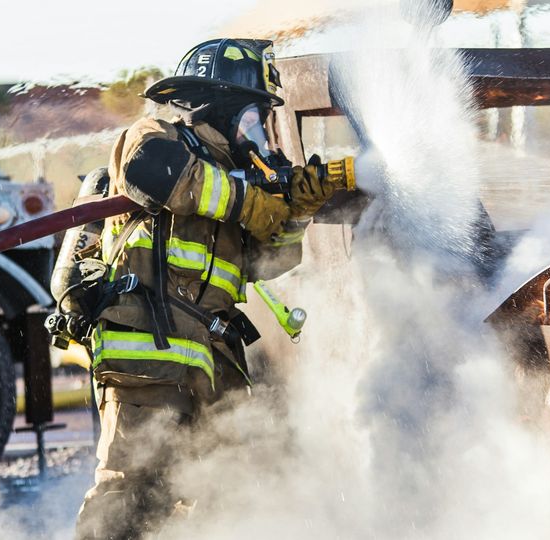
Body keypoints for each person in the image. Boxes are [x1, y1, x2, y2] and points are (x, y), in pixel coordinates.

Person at [74, 38, 356, 539]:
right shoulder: (157, 137)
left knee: (220, 497)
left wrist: (299, 212)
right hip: (147, 355)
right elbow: (153, 171)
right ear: (216, 107)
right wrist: (249, 200)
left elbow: (269, 261)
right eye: (253, 119)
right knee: (128, 497)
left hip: (211, 361)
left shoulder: (232, 181)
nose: (260, 135)